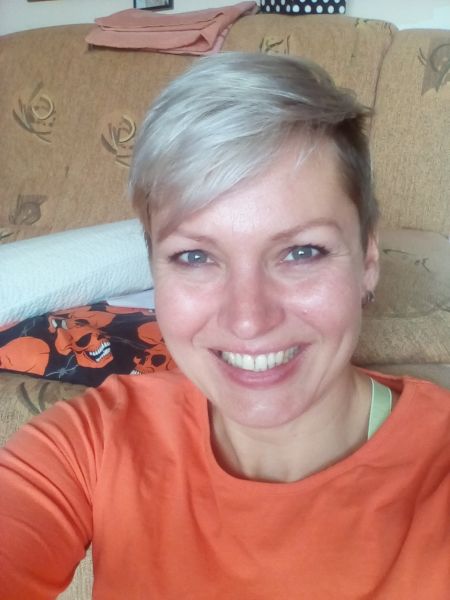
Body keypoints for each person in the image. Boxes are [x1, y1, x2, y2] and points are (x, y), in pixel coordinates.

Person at [1, 53, 449, 599]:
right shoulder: (95, 441)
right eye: (194, 257)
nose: (248, 319)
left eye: (301, 251)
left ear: (368, 261)